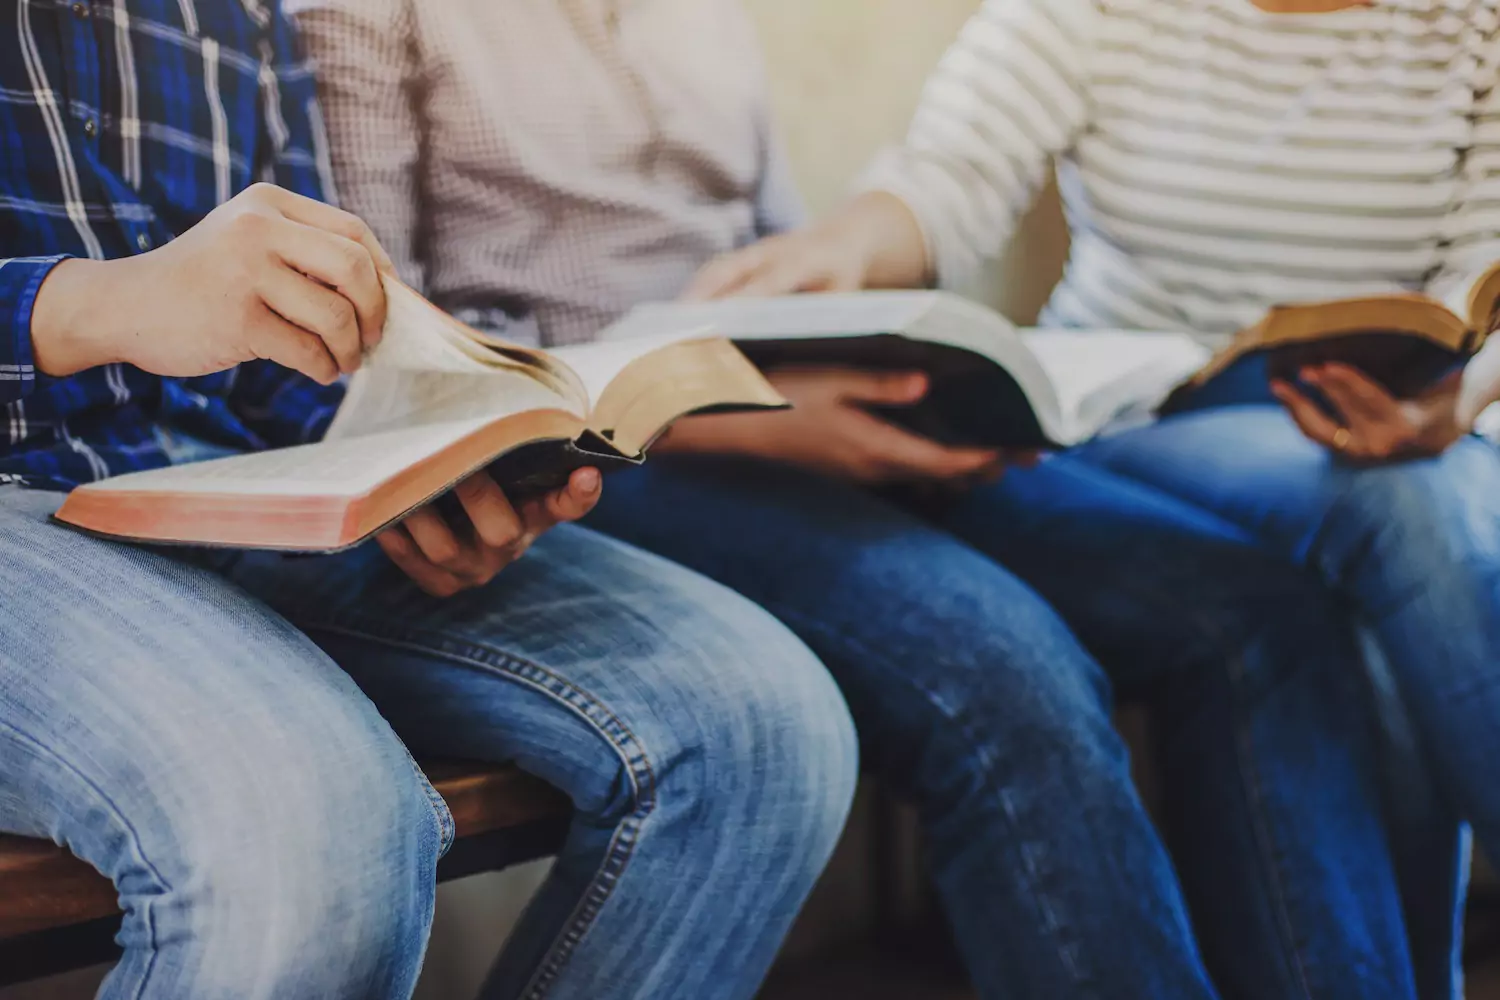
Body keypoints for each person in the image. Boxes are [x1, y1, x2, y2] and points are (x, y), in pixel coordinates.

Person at [297, 1, 1433, 996]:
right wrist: (744, 417)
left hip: (787, 414)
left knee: (1256, 612)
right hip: (598, 462)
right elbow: (392, 350)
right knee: (1007, 671)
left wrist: (876, 363)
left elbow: (782, 250)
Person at [0, 3, 861, 999]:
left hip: (204, 477)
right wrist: (96, 305)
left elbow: (293, 356)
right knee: (317, 827)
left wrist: (425, 453)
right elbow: (159, 300)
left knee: (763, 725)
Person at [693, 0, 1500, 995]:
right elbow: (945, 178)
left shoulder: (1470, 28)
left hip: (1407, 427)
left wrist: (1456, 401)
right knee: (1416, 511)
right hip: (1135, 422)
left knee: (1419, 510)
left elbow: (1486, 271)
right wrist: (848, 251)